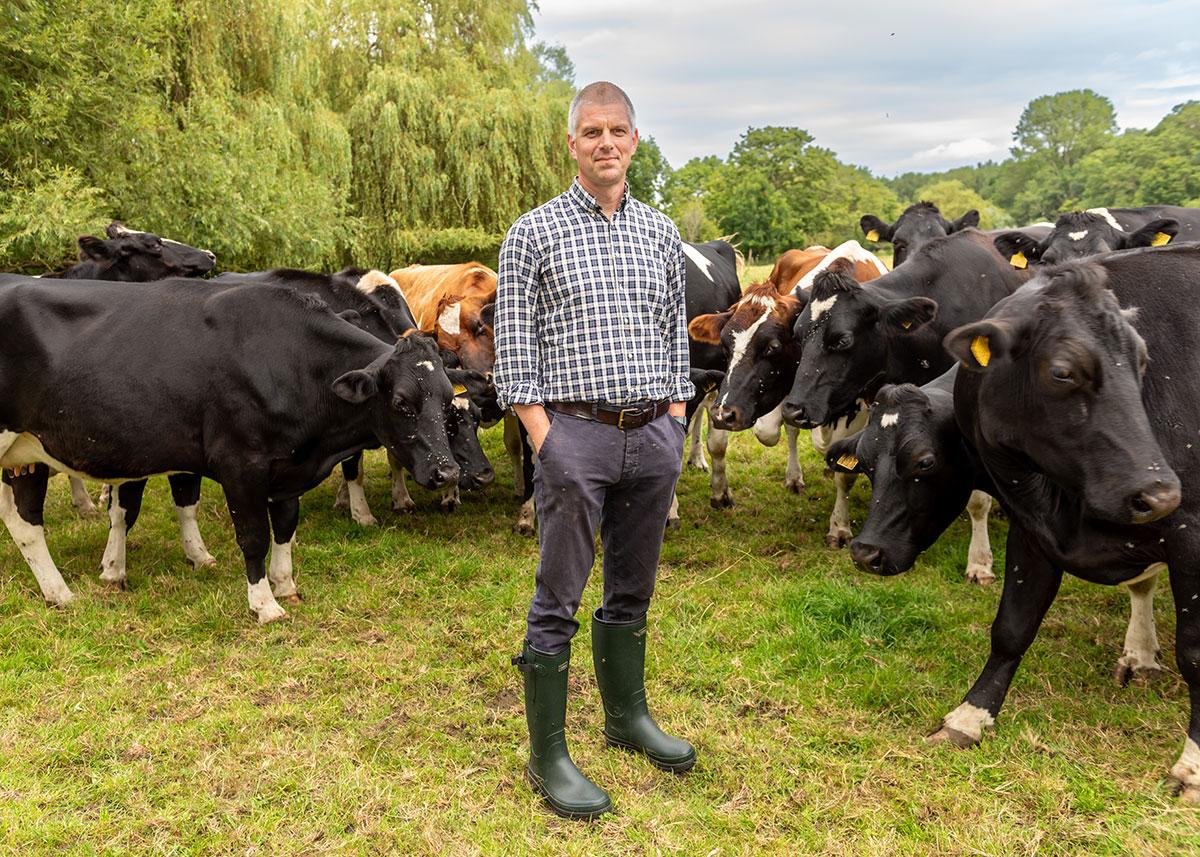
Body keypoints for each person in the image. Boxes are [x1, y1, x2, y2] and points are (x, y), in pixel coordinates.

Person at [494, 81, 696, 820]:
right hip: (572, 434)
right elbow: (513, 353)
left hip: (651, 434)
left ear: (635, 141)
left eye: (617, 130)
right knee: (559, 595)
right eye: (591, 131)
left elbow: (677, 335)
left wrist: (674, 420)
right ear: (571, 144)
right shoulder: (533, 233)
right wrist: (548, 440)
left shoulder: (660, 231)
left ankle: (626, 718)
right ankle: (548, 753)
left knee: (632, 588)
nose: (605, 142)